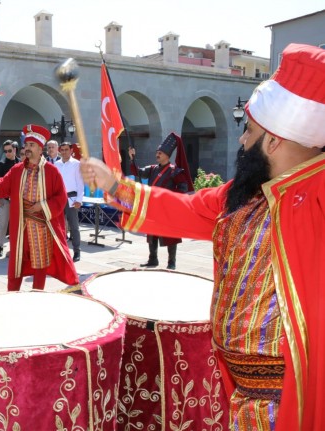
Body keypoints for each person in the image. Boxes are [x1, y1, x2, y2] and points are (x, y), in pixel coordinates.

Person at [80, 43, 325, 431]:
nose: (242, 141)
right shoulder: (243, 193)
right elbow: (186, 208)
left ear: (275, 141)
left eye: (249, 131)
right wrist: (116, 184)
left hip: (292, 399)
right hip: (239, 392)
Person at [0, 125, 78, 291]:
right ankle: (12, 293)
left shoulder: (52, 171)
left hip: (42, 225)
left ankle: (37, 292)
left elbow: (61, 197)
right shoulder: (17, 170)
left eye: (31, 145)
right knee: (17, 261)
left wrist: (42, 205)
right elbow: (2, 186)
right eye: (26, 145)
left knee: (40, 261)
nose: (27, 148)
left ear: (40, 148)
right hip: (21, 224)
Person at [128, 132, 192, 269]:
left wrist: (168, 197)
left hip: (167, 208)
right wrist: (132, 158)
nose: (157, 155)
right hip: (152, 207)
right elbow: (137, 172)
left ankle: (171, 262)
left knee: (170, 235)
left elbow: (183, 188)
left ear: (167, 155)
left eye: (160, 153)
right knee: (151, 234)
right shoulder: (152, 169)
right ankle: (153, 259)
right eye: (157, 152)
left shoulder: (176, 171)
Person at [56, 142, 84, 262]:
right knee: (59, 226)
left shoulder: (77, 164)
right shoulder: (56, 164)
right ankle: (61, 251)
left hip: (72, 199)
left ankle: (77, 251)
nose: (64, 152)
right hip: (58, 199)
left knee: (74, 226)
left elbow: (80, 183)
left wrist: (79, 200)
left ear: (71, 150)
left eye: (66, 149)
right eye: (62, 150)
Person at [0, 140, 20, 257]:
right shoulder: (1, 164)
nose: (7, 153)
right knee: (3, 224)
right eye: (5, 151)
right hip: (6, 200)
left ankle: (15, 248)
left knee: (17, 226)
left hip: (19, 201)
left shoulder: (21, 163)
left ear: (15, 150)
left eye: (9, 150)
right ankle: (0, 246)